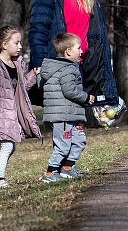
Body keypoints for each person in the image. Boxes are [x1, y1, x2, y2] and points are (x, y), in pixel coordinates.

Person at [28, 0, 118, 107]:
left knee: (79, 117)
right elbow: (38, 29)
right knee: (62, 117)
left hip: (83, 64)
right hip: (57, 63)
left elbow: (98, 32)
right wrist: (38, 63)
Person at [0, 26, 41, 189]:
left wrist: (34, 75)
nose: (20, 46)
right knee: (7, 145)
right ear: (4, 45)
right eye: (17, 43)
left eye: (20, 42)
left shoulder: (18, 63)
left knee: (11, 146)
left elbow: (23, 86)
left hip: (12, 112)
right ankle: (0, 179)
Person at [39, 32, 95, 183]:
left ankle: (67, 168)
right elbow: (70, 90)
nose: (82, 51)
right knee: (63, 145)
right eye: (78, 48)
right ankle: (50, 173)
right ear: (68, 51)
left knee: (79, 140)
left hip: (70, 114)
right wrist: (86, 97)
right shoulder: (67, 69)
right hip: (62, 116)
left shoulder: (68, 68)